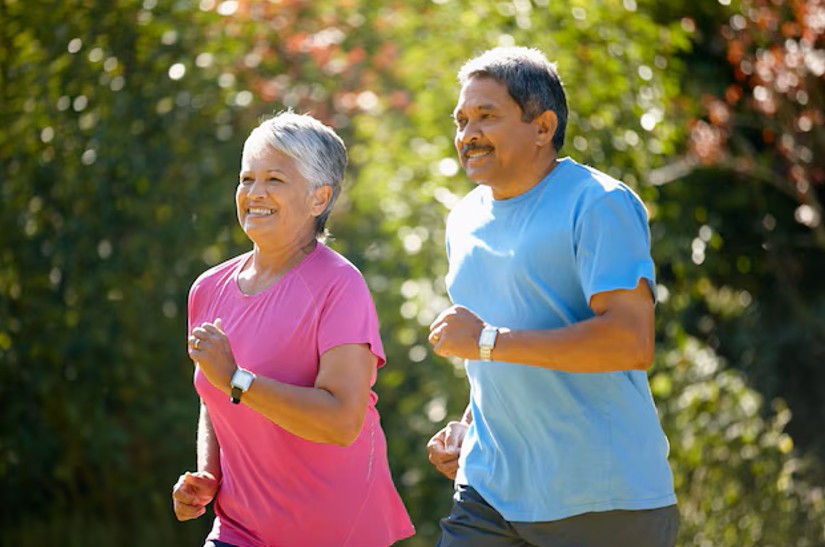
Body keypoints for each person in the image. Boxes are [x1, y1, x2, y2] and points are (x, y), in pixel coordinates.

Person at [425, 46, 678, 546]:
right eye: (461, 120)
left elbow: (630, 342)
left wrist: (487, 342)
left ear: (542, 127)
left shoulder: (600, 203)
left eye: (486, 116)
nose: (468, 134)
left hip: (602, 501)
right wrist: (470, 424)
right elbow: (497, 345)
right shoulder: (463, 220)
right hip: (490, 492)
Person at [171, 111, 414, 547]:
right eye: (247, 179)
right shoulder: (208, 289)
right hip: (238, 530)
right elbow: (216, 391)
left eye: (274, 180)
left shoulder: (340, 286)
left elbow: (341, 422)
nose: (254, 193)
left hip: (336, 533)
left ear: (319, 199)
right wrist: (209, 471)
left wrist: (238, 378)